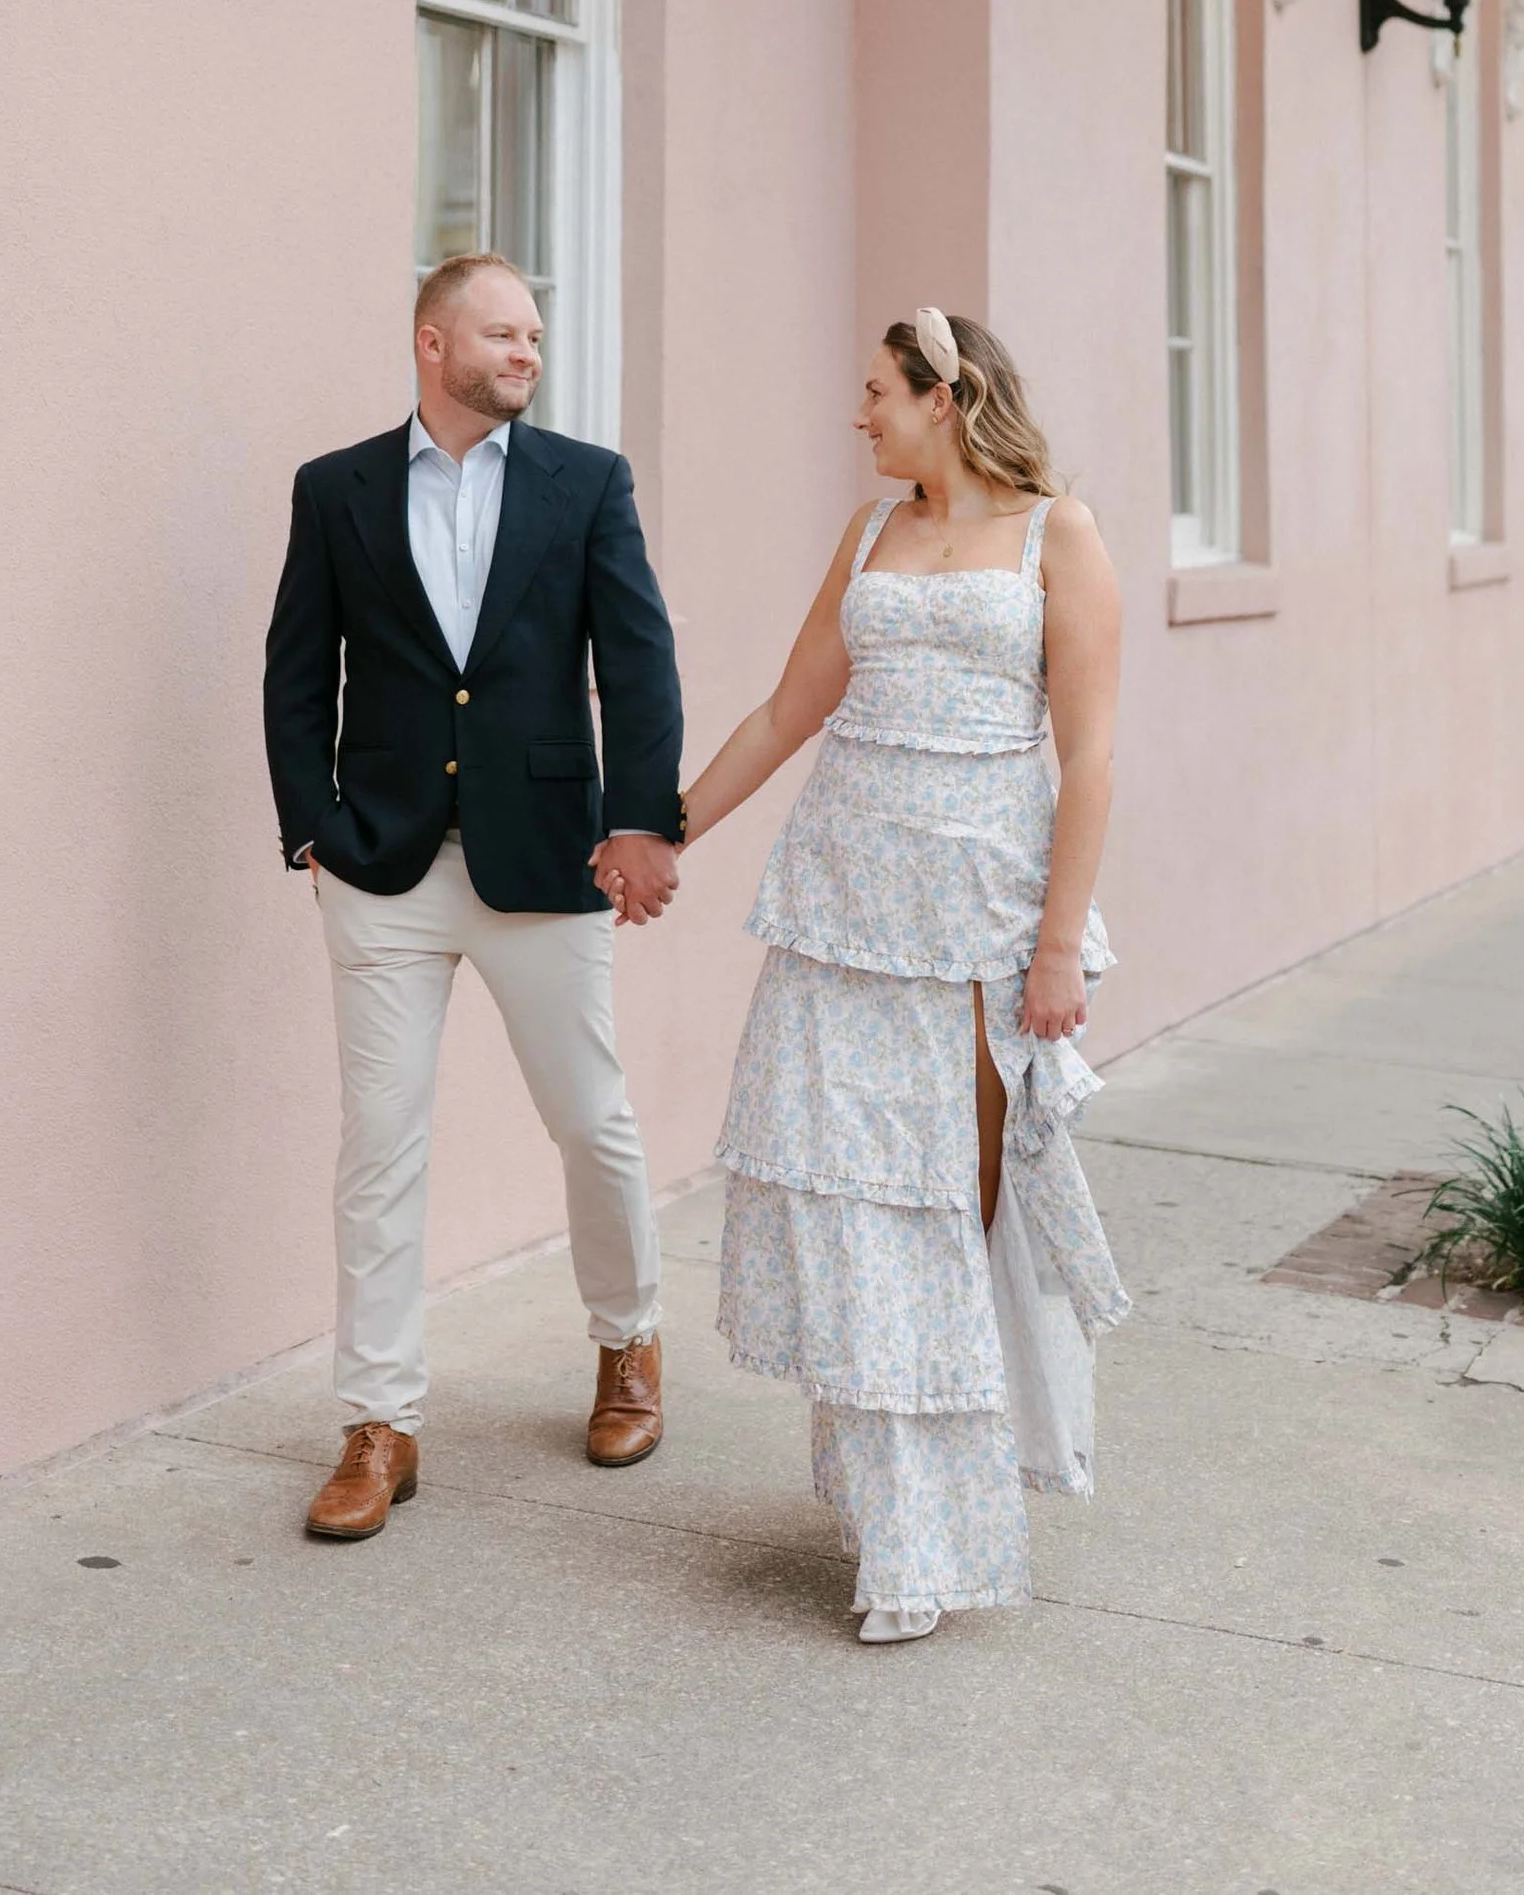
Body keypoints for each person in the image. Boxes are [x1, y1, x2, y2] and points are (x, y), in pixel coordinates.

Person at [682, 306, 1128, 1642]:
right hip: (838, 918)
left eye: (878, 391)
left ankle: (943, 1527)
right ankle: (896, 1526)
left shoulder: (1060, 535)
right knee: (850, 1213)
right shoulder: (868, 534)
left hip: (979, 934)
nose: (860, 413)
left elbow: (1091, 756)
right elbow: (787, 711)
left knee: (948, 1221)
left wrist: (1058, 945)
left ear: (948, 395)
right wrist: (663, 828)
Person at [263, 253, 686, 1541]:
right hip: (383, 868)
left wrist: (640, 821)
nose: (528, 355)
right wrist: (313, 831)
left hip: (545, 863)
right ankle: (378, 1423)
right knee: (379, 1146)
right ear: (431, 343)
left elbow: (640, 657)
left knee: (590, 1121)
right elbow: (296, 670)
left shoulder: (587, 482)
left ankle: (628, 1341)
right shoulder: (335, 489)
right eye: (504, 334)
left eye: (536, 338)